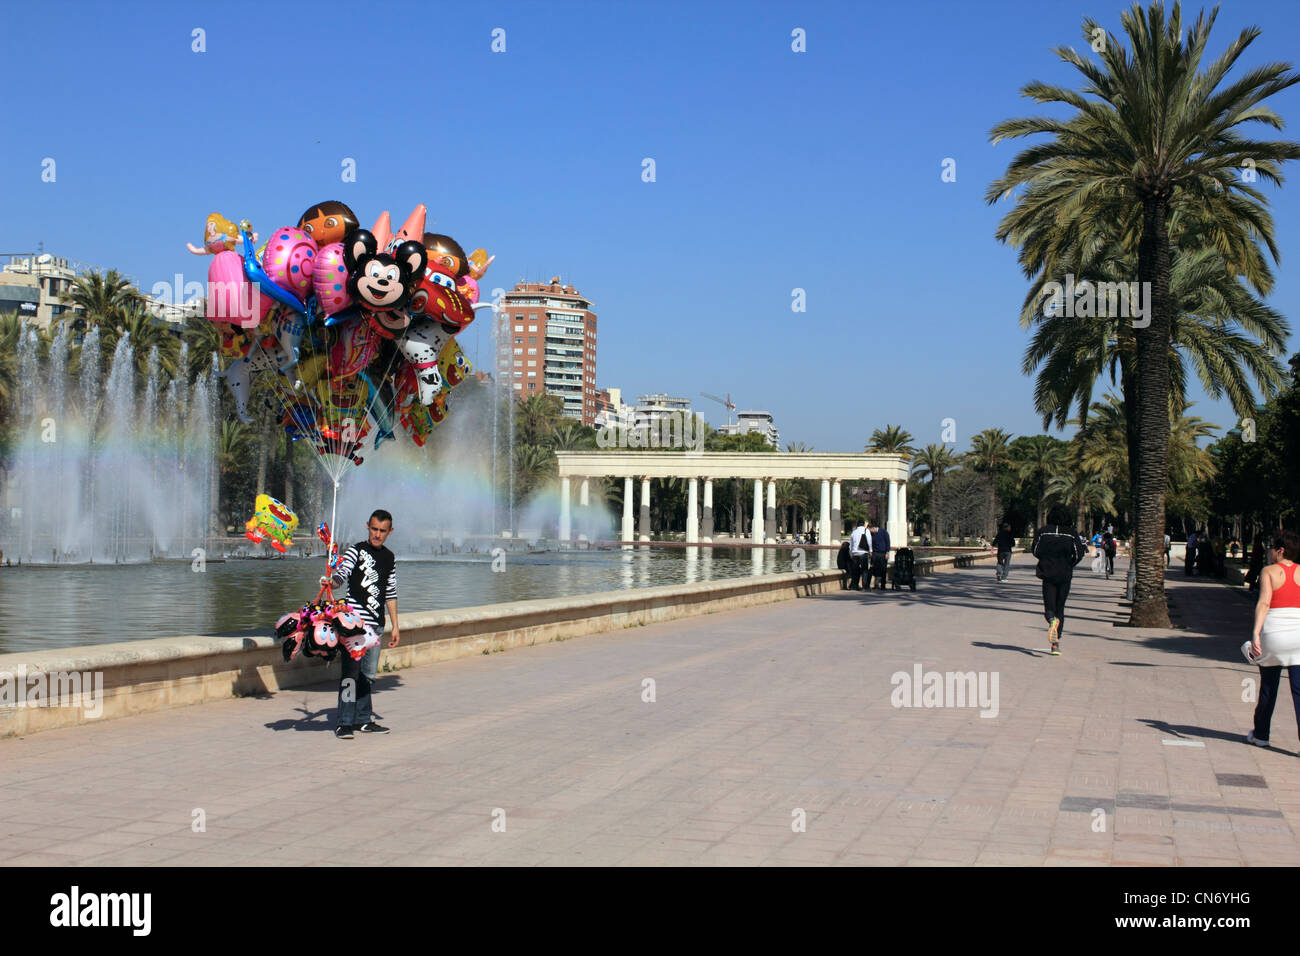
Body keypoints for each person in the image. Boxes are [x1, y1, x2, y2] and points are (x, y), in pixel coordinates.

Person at [328, 509, 401, 739]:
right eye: (374, 529)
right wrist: (333, 581)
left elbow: (390, 592)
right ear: (367, 526)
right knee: (351, 674)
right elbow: (342, 573)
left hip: (376, 626)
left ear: (390, 531)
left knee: (368, 675)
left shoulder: (389, 557)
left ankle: (363, 719)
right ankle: (344, 722)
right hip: (354, 625)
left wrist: (395, 625)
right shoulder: (356, 550)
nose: (377, 534)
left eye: (382, 531)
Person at [1246, 531, 1300, 748]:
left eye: (1271, 547)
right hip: (1298, 636)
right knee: (1299, 691)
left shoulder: (1268, 571)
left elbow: (1264, 603)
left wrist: (1255, 634)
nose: (1268, 551)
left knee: (1268, 686)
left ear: (1281, 550)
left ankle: (1261, 735)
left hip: (1274, 634)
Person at [1031, 505, 1088, 656]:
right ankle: (1055, 645)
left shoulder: (1043, 532)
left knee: (1049, 606)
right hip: (1064, 574)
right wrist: (1070, 564)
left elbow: (1035, 550)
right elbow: (1079, 553)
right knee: (1060, 608)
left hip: (1048, 573)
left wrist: (1045, 560)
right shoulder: (1071, 533)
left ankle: (1050, 619)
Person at [848, 520, 872, 591]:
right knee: (864, 570)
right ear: (863, 524)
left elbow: (851, 543)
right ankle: (865, 586)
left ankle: (854, 586)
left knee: (855, 570)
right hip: (863, 553)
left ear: (857, 524)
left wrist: (851, 552)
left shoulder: (854, 532)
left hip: (855, 554)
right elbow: (869, 541)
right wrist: (870, 551)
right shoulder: (866, 530)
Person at [869, 522, 890, 590]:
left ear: (874, 528)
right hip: (875, 553)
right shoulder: (872, 534)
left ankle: (883, 585)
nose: (870, 531)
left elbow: (888, 542)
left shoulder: (883, 532)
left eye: (870, 530)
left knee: (883, 569)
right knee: (875, 569)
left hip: (883, 553)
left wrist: (887, 552)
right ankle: (876, 584)